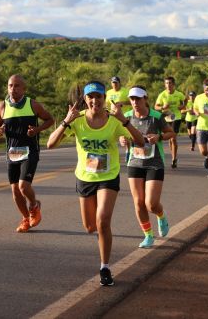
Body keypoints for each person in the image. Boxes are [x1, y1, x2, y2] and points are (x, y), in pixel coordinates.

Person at [47, 81, 144, 286]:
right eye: (90, 97)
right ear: (85, 100)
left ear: (104, 99)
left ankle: (105, 267)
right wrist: (65, 121)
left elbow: (141, 141)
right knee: (90, 226)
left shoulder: (114, 120)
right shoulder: (78, 120)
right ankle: (102, 239)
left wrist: (125, 122)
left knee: (103, 220)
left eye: (98, 97)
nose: (94, 101)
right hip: (85, 177)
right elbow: (50, 143)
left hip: (108, 177)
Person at [0, 75, 54, 233]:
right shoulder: (2, 107)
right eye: (10, 85)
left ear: (24, 89)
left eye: (17, 86)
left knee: (23, 186)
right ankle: (26, 218)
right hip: (12, 152)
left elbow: (50, 119)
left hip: (30, 150)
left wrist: (37, 130)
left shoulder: (32, 104)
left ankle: (34, 205)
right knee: (15, 190)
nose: (13, 89)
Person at [119, 86, 175, 248]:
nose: (134, 102)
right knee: (138, 202)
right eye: (132, 99)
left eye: (138, 98)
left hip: (154, 163)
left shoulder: (156, 117)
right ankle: (148, 236)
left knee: (151, 204)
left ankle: (161, 215)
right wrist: (123, 139)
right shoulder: (127, 116)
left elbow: (171, 133)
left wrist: (159, 136)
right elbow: (120, 133)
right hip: (134, 163)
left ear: (145, 99)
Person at [154, 76, 186, 168]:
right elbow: (156, 106)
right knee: (169, 139)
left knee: (173, 138)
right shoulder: (162, 95)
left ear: (173, 84)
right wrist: (163, 108)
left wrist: (182, 106)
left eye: (170, 83)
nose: (168, 85)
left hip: (176, 117)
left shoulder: (178, 94)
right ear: (165, 85)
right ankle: (173, 156)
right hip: (166, 118)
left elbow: (185, 100)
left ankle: (174, 159)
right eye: (166, 83)